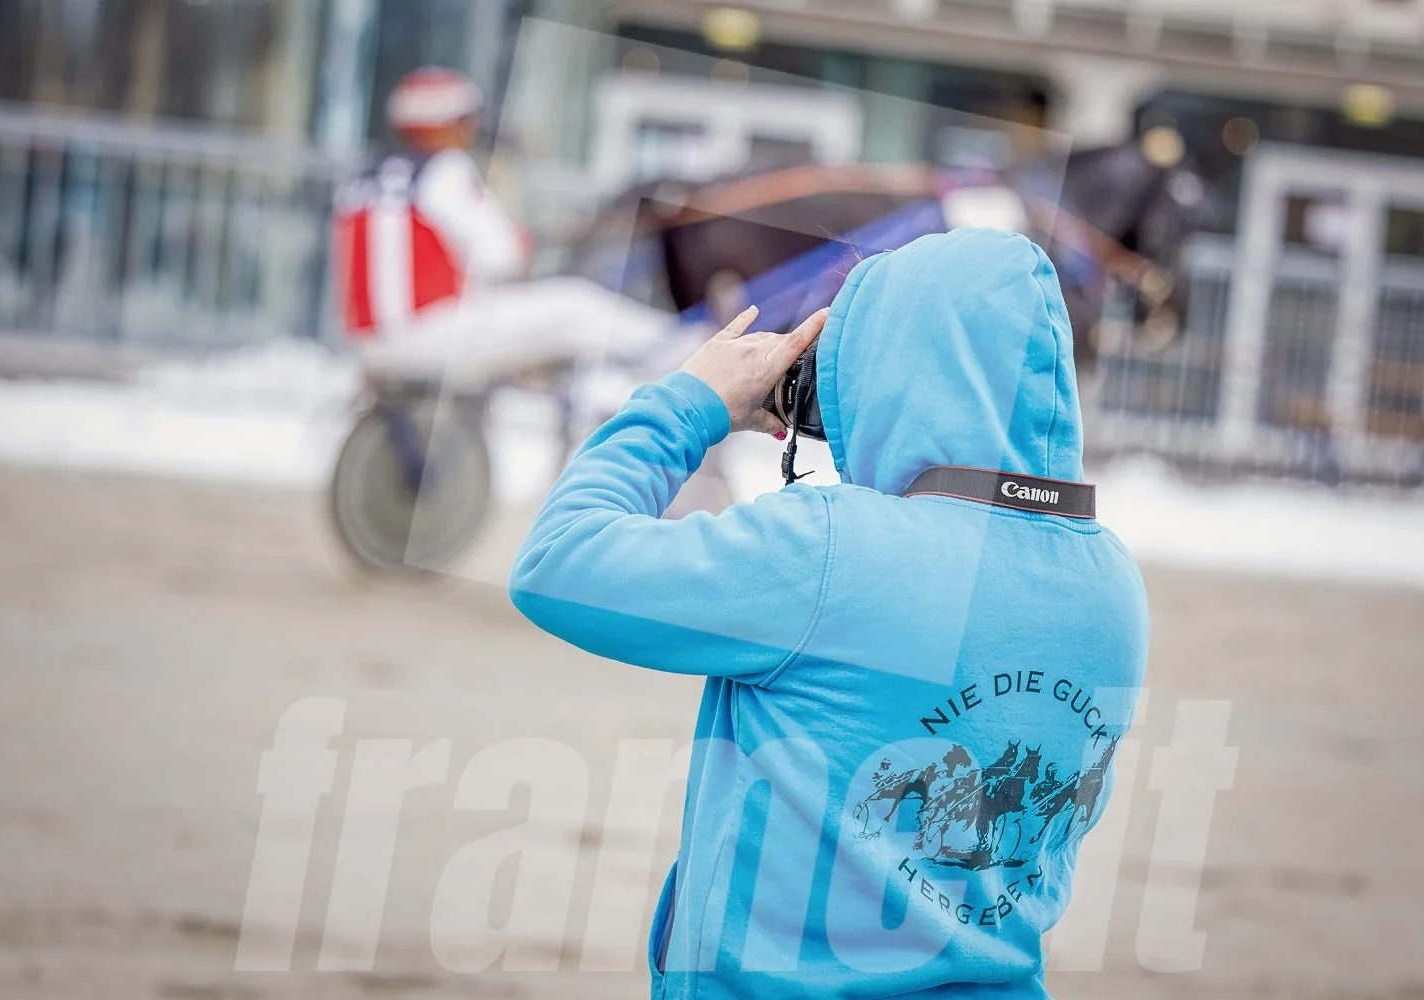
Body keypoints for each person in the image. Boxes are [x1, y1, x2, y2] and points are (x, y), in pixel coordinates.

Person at [510, 228, 1149, 998]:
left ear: (888, 377)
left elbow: (558, 562)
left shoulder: (833, 548)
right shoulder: (1110, 583)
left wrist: (691, 402)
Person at [333, 67, 679, 386]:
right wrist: (527, 240)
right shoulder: (446, 169)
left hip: (366, 342)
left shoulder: (364, 176)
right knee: (574, 305)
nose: (472, 130)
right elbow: (502, 257)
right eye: (466, 120)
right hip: (428, 338)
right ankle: (683, 351)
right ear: (446, 123)